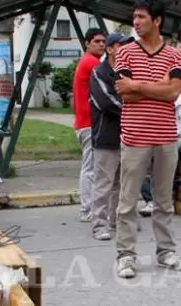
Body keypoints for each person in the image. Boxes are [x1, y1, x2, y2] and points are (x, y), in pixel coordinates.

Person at [112, 0, 181, 278]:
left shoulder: (175, 55)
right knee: (128, 200)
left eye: (141, 17)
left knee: (163, 199)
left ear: (157, 20)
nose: (135, 22)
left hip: (166, 137)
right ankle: (126, 255)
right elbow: (125, 92)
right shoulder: (124, 53)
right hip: (134, 136)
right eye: (134, 17)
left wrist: (138, 85)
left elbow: (173, 93)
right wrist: (156, 85)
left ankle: (166, 252)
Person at [88, 32, 135, 241]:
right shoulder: (100, 72)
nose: (126, 49)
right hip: (106, 137)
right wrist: (135, 111)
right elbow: (108, 103)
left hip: (127, 137)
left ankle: (118, 221)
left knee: (122, 183)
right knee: (103, 183)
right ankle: (99, 224)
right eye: (121, 45)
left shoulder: (129, 72)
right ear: (110, 49)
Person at [139, 93, 181, 216]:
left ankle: (166, 198)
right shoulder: (156, 105)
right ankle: (150, 200)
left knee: (169, 152)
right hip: (165, 140)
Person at [72, 28, 107, 222]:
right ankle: (86, 210)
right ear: (87, 43)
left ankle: (89, 208)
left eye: (104, 42)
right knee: (91, 168)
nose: (102, 44)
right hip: (89, 123)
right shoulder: (92, 63)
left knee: (92, 168)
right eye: (97, 41)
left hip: (84, 122)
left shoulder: (85, 62)